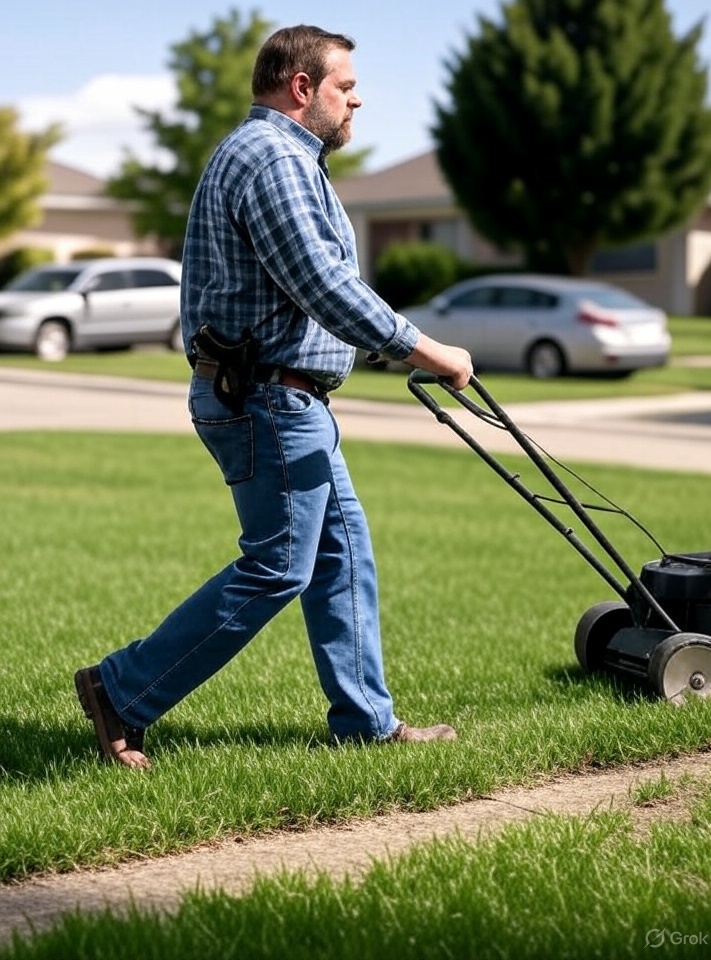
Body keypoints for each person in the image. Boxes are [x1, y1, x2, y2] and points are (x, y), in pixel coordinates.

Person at [74, 24, 473, 769]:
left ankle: (365, 721)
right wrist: (426, 349)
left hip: (289, 401)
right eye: (345, 88)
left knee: (341, 555)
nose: (359, 100)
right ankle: (119, 691)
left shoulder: (286, 159)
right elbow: (322, 284)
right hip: (266, 398)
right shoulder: (271, 158)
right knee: (277, 566)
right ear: (302, 88)